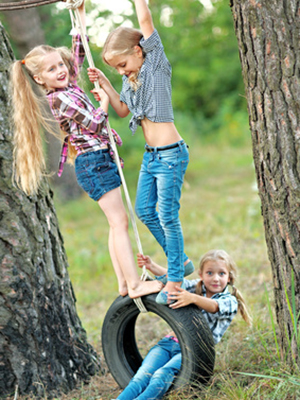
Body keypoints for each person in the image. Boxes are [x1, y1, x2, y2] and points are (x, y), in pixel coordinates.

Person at [10, 0, 162, 300]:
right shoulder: (59, 100)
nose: (61, 71)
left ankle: (123, 282)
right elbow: (95, 123)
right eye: (52, 69)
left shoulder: (69, 87)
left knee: (115, 224)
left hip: (99, 161)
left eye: (61, 65)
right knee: (120, 224)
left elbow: (79, 56)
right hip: (94, 164)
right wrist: (105, 98)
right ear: (40, 78)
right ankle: (134, 285)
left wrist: (78, 15)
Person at [87, 0, 194, 305]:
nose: (121, 70)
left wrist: (138, 2)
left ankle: (175, 277)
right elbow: (122, 111)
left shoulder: (156, 65)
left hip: (171, 153)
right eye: (116, 69)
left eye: (121, 64)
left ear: (138, 51)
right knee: (145, 211)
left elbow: (145, 20)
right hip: (151, 156)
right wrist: (107, 82)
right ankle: (181, 261)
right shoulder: (128, 80)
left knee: (168, 216)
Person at [112, 249, 252, 400]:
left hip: (193, 351)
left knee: (161, 375)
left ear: (230, 278)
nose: (215, 278)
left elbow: (214, 306)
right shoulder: (195, 288)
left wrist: (193, 298)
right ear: (201, 275)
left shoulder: (229, 301)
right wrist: (152, 266)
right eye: (210, 273)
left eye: (221, 274)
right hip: (167, 344)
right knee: (141, 377)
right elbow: (174, 281)